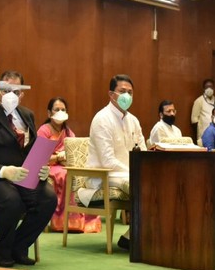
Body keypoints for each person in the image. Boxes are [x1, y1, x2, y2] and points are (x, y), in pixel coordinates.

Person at [0, 71, 57, 268]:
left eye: (16, 91)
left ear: (22, 94)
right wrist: (3, 171)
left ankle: (20, 246)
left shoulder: (27, 115)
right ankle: (4, 250)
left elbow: (31, 149)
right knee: (12, 199)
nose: (11, 95)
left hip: (24, 175)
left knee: (47, 198)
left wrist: (42, 167)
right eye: (6, 90)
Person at [86, 74, 147, 250]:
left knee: (154, 181)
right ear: (111, 94)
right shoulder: (101, 119)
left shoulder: (133, 120)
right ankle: (138, 234)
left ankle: (132, 235)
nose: (127, 96)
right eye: (122, 91)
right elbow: (107, 161)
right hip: (103, 175)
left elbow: (142, 151)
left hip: (126, 174)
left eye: (130, 92)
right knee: (140, 183)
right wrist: (134, 170)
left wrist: (144, 168)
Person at [37, 97, 102, 233]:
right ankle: (62, 220)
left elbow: (75, 154)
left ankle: (82, 219)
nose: (60, 112)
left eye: (63, 110)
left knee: (80, 173)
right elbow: (39, 158)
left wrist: (66, 158)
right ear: (49, 113)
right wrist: (58, 157)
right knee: (65, 175)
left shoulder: (68, 132)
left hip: (65, 165)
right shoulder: (44, 130)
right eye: (57, 109)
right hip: (48, 167)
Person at [191, 79, 215, 144]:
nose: (209, 88)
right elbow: (194, 120)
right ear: (203, 88)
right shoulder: (199, 101)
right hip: (203, 133)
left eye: (211, 87)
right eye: (207, 87)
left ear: (214, 88)